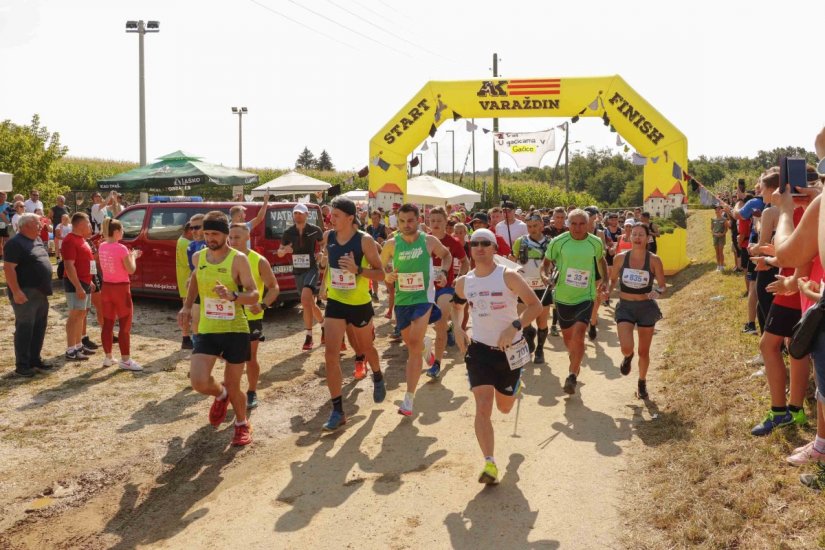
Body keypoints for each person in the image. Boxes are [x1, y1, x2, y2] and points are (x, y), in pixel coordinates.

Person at [453, 228, 542, 484]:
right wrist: (458, 327)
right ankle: (489, 463)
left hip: (509, 351)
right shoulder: (464, 282)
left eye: (485, 243)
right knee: (482, 406)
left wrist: (515, 326)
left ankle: (514, 388)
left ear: (494, 248)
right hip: (479, 350)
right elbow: (456, 305)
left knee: (504, 408)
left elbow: (535, 305)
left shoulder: (508, 277)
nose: (479, 248)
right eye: (474, 244)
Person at [177, 211, 260, 447]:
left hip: (235, 329)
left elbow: (253, 293)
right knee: (199, 381)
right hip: (208, 328)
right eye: (206, 233)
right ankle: (220, 394)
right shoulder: (199, 257)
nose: (210, 238)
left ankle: (242, 424)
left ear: (225, 234)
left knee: (234, 384)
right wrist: (186, 306)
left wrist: (233, 295)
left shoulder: (238, 259)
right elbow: (195, 278)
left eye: (214, 234)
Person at [317, 197, 386, 431]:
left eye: (336, 215)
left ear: (349, 218)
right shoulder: (329, 237)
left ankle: (377, 374)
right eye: (331, 215)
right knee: (330, 354)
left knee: (366, 348)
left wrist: (358, 270)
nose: (331, 218)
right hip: (336, 301)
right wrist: (323, 283)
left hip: (359, 303)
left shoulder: (364, 241)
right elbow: (330, 264)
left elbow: (381, 274)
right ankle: (337, 410)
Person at [382, 203, 452, 417]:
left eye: (410, 221)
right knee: (412, 342)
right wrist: (388, 275)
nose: (406, 225)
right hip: (403, 301)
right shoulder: (391, 244)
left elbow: (447, 255)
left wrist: (442, 272)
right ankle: (426, 348)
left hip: (424, 298)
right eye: (402, 221)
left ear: (419, 219)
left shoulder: (429, 241)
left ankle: (409, 399)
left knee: (412, 348)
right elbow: (383, 264)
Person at [542, 209, 607, 395]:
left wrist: (606, 281)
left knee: (579, 335)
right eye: (574, 224)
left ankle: (572, 376)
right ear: (568, 224)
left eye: (581, 224)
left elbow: (601, 261)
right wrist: (546, 277)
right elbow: (545, 263)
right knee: (570, 342)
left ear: (588, 224)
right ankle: (576, 362)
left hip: (585, 297)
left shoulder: (595, 242)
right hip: (562, 298)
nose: (577, 228)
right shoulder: (558, 242)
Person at [608, 223, 665, 399]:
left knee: (644, 351)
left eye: (641, 234)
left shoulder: (654, 260)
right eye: (634, 234)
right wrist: (606, 293)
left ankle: (641, 382)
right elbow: (612, 281)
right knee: (626, 347)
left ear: (648, 238)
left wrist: (658, 291)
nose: (638, 237)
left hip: (646, 308)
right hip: (625, 306)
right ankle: (628, 356)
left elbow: (663, 286)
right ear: (629, 236)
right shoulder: (620, 258)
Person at [229, 223, 279, 410]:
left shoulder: (258, 260)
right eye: (231, 237)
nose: (233, 241)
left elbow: (274, 287)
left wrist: (263, 304)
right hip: (227, 316)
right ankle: (232, 392)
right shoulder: (222, 259)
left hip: (251, 316)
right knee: (231, 359)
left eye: (237, 238)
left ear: (247, 238)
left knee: (250, 357)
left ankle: (251, 391)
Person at [3, 213, 54, 377]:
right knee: (25, 327)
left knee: (39, 327)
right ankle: (22, 365)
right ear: (26, 226)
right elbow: (9, 268)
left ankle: (34, 359)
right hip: (25, 292)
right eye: (37, 224)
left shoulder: (37, 240)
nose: (41, 226)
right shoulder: (14, 243)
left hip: (40, 292)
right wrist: (16, 291)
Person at [425, 206, 468, 379]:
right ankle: (427, 351)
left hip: (445, 288)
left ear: (446, 222)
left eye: (439, 221)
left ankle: (437, 364)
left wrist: (459, 278)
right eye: (432, 221)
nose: (435, 224)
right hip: (423, 289)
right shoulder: (422, 240)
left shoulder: (453, 243)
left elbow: (465, 262)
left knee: (440, 324)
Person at [278, 203, 325, 352]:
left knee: (305, 299)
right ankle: (324, 326)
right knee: (310, 303)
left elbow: (322, 244)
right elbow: (280, 251)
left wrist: (321, 253)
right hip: (297, 271)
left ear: (306, 215)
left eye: (300, 213)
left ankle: (309, 336)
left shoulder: (314, 230)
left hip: (311, 269)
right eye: (295, 213)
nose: (298, 216)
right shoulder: (288, 232)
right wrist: (285, 250)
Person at [98, 219, 143, 371]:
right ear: (116, 232)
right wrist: (134, 256)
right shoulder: (122, 248)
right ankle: (126, 359)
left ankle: (108, 357)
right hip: (121, 289)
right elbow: (131, 270)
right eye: (122, 230)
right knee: (125, 325)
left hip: (107, 288)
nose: (123, 233)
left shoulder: (102, 246)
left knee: (108, 324)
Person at [512, 214, 553, 364]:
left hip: (543, 287)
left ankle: (540, 350)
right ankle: (529, 339)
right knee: (525, 321)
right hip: (523, 287)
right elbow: (513, 261)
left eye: (536, 225)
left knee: (542, 322)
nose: (533, 229)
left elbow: (556, 263)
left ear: (542, 225)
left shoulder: (550, 243)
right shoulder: (520, 242)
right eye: (529, 226)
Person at [62, 212, 96, 361]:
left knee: (81, 314)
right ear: (81, 225)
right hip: (76, 283)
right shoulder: (70, 240)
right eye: (88, 223)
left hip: (84, 281)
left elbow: (86, 262)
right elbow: (69, 266)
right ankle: (71, 350)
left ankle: (78, 346)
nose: (90, 225)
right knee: (74, 316)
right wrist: (78, 286)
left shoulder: (82, 239)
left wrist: (89, 281)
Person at [186, 213, 207, 338]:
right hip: (198, 287)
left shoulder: (213, 244)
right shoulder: (191, 246)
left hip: (213, 288)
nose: (193, 231)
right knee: (196, 318)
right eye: (191, 227)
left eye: (197, 227)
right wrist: (190, 279)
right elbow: (193, 269)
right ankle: (198, 344)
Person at [175, 222, 194, 349]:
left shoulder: (181, 240)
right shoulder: (187, 244)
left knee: (187, 310)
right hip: (188, 280)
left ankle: (186, 337)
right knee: (188, 311)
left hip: (184, 280)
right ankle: (186, 338)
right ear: (189, 231)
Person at [711, 205, 728, 271]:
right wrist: (715, 233)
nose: (717, 210)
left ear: (721, 211)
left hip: (721, 237)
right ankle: (718, 266)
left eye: (718, 209)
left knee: (721, 252)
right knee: (717, 252)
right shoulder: (713, 219)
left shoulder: (724, 219)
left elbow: (726, 229)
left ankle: (722, 266)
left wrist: (722, 234)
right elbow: (711, 229)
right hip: (715, 237)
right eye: (716, 209)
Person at [0, 191, 11, 259]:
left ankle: (6, 255)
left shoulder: (8, 204)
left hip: (6, 224)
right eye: (2, 196)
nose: (3, 198)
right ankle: (1, 255)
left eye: (4, 196)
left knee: (7, 240)